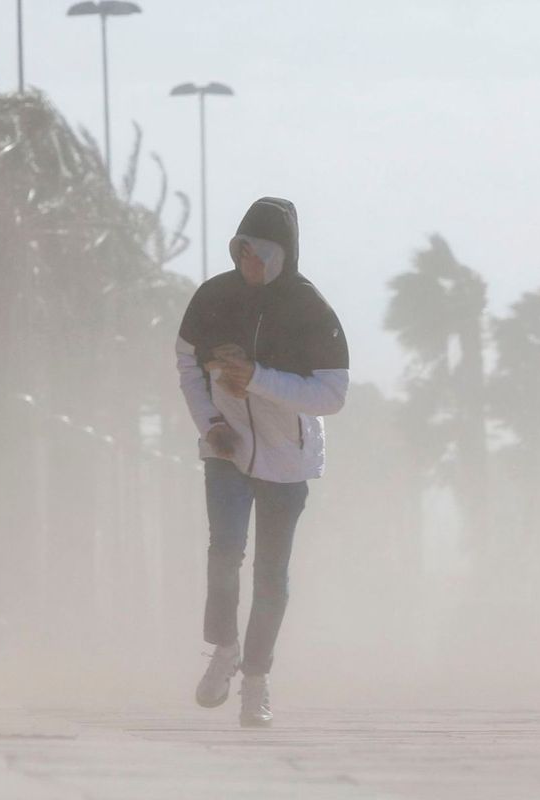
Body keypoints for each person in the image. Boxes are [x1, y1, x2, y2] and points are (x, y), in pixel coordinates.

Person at [174, 197, 349, 727]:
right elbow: (186, 362)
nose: (249, 264)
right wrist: (212, 424)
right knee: (224, 553)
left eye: (260, 254)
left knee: (272, 576)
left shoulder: (309, 309)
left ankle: (256, 680)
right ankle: (223, 651)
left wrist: (258, 380)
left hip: (286, 458)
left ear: (283, 254)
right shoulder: (213, 297)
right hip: (226, 450)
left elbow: (332, 395)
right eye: (243, 252)